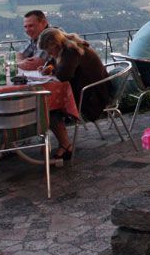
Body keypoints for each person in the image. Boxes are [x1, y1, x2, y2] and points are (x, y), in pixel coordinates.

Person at [38, 28, 110, 160]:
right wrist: (50, 67)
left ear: (57, 45)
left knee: (50, 108)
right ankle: (62, 143)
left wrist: (52, 70)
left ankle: (65, 146)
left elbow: (64, 75)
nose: (49, 54)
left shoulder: (71, 52)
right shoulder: (69, 46)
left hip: (92, 97)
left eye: (49, 50)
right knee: (49, 104)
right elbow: (61, 68)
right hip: (93, 89)